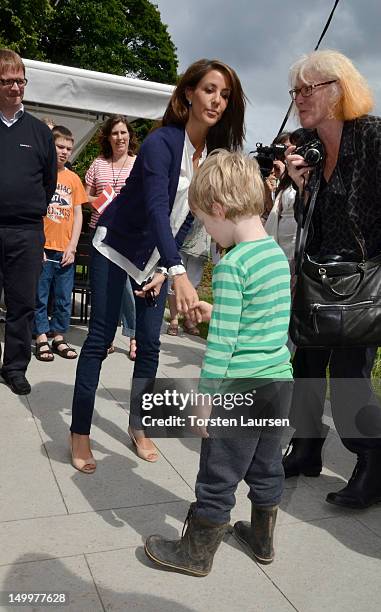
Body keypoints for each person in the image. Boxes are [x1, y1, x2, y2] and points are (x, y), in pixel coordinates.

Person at [70, 58, 246, 473]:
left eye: (224, 95)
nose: (217, 100)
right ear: (188, 93)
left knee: (150, 345)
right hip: (115, 248)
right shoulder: (160, 142)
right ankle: (79, 432)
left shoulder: (210, 156)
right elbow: (154, 207)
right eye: (209, 90)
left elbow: (188, 219)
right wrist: (179, 271)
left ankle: (138, 425)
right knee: (99, 339)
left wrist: (167, 270)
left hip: (157, 260)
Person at [144, 150, 293, 576]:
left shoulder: (233, 266)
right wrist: (217, 311)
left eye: (206, 223)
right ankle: (262, 539)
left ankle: (195, 554)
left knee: (218, 470)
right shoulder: (274, 257)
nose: (209, 233)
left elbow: (224, 346)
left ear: (220, 209)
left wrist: (207, 400)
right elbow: (264, 321)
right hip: (277, 383)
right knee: (266, 466)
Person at [283, 49, 381, 509]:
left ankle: (371, 463)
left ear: (339, 90)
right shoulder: (310, 146)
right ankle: (305, 449)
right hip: (319, 276)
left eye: (309, 88)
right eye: (296, 89)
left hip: (361, 284)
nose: (299, 97)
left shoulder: (373, 138)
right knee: (305, 368)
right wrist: (303, 187)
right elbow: (310, 220)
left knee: (348, 378)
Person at [0, 49, 57, 395]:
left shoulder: (38, 132)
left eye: (20, 80)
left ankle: (15, 368)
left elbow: (48, 184)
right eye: (7, 81)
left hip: (26, 231)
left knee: (22, 303)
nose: (15, 87)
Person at [85, 115, 138, 359]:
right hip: (99, 232)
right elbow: (84, 197)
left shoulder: (138, 163)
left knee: (127, 285)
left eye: (123, 132)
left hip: (127, 234)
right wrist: (95, 200)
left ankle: (133, 334)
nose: (120, 137)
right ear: (108, 137)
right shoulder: (98, 164)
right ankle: (101, 336)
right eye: (115, 133)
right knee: (101, 286)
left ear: (130, 136)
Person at [34, 126, 86, 361]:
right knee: (40, 296)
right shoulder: (40, 174)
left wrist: (72, 246)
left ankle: (58, 336)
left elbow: (78, 214)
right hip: (43, 248)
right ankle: (41, 337)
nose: (64, 152)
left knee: (64, 298)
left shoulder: (73, 179)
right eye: (60, 147)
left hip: (65, 250)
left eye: (68, 148)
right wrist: (36, 244)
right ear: (50, 147)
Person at [166, 216, 210, 336]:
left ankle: (189, 320)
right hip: (181, 234)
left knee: (193, 282)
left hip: (201, 240)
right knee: (174, 278)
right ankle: (174, 319)